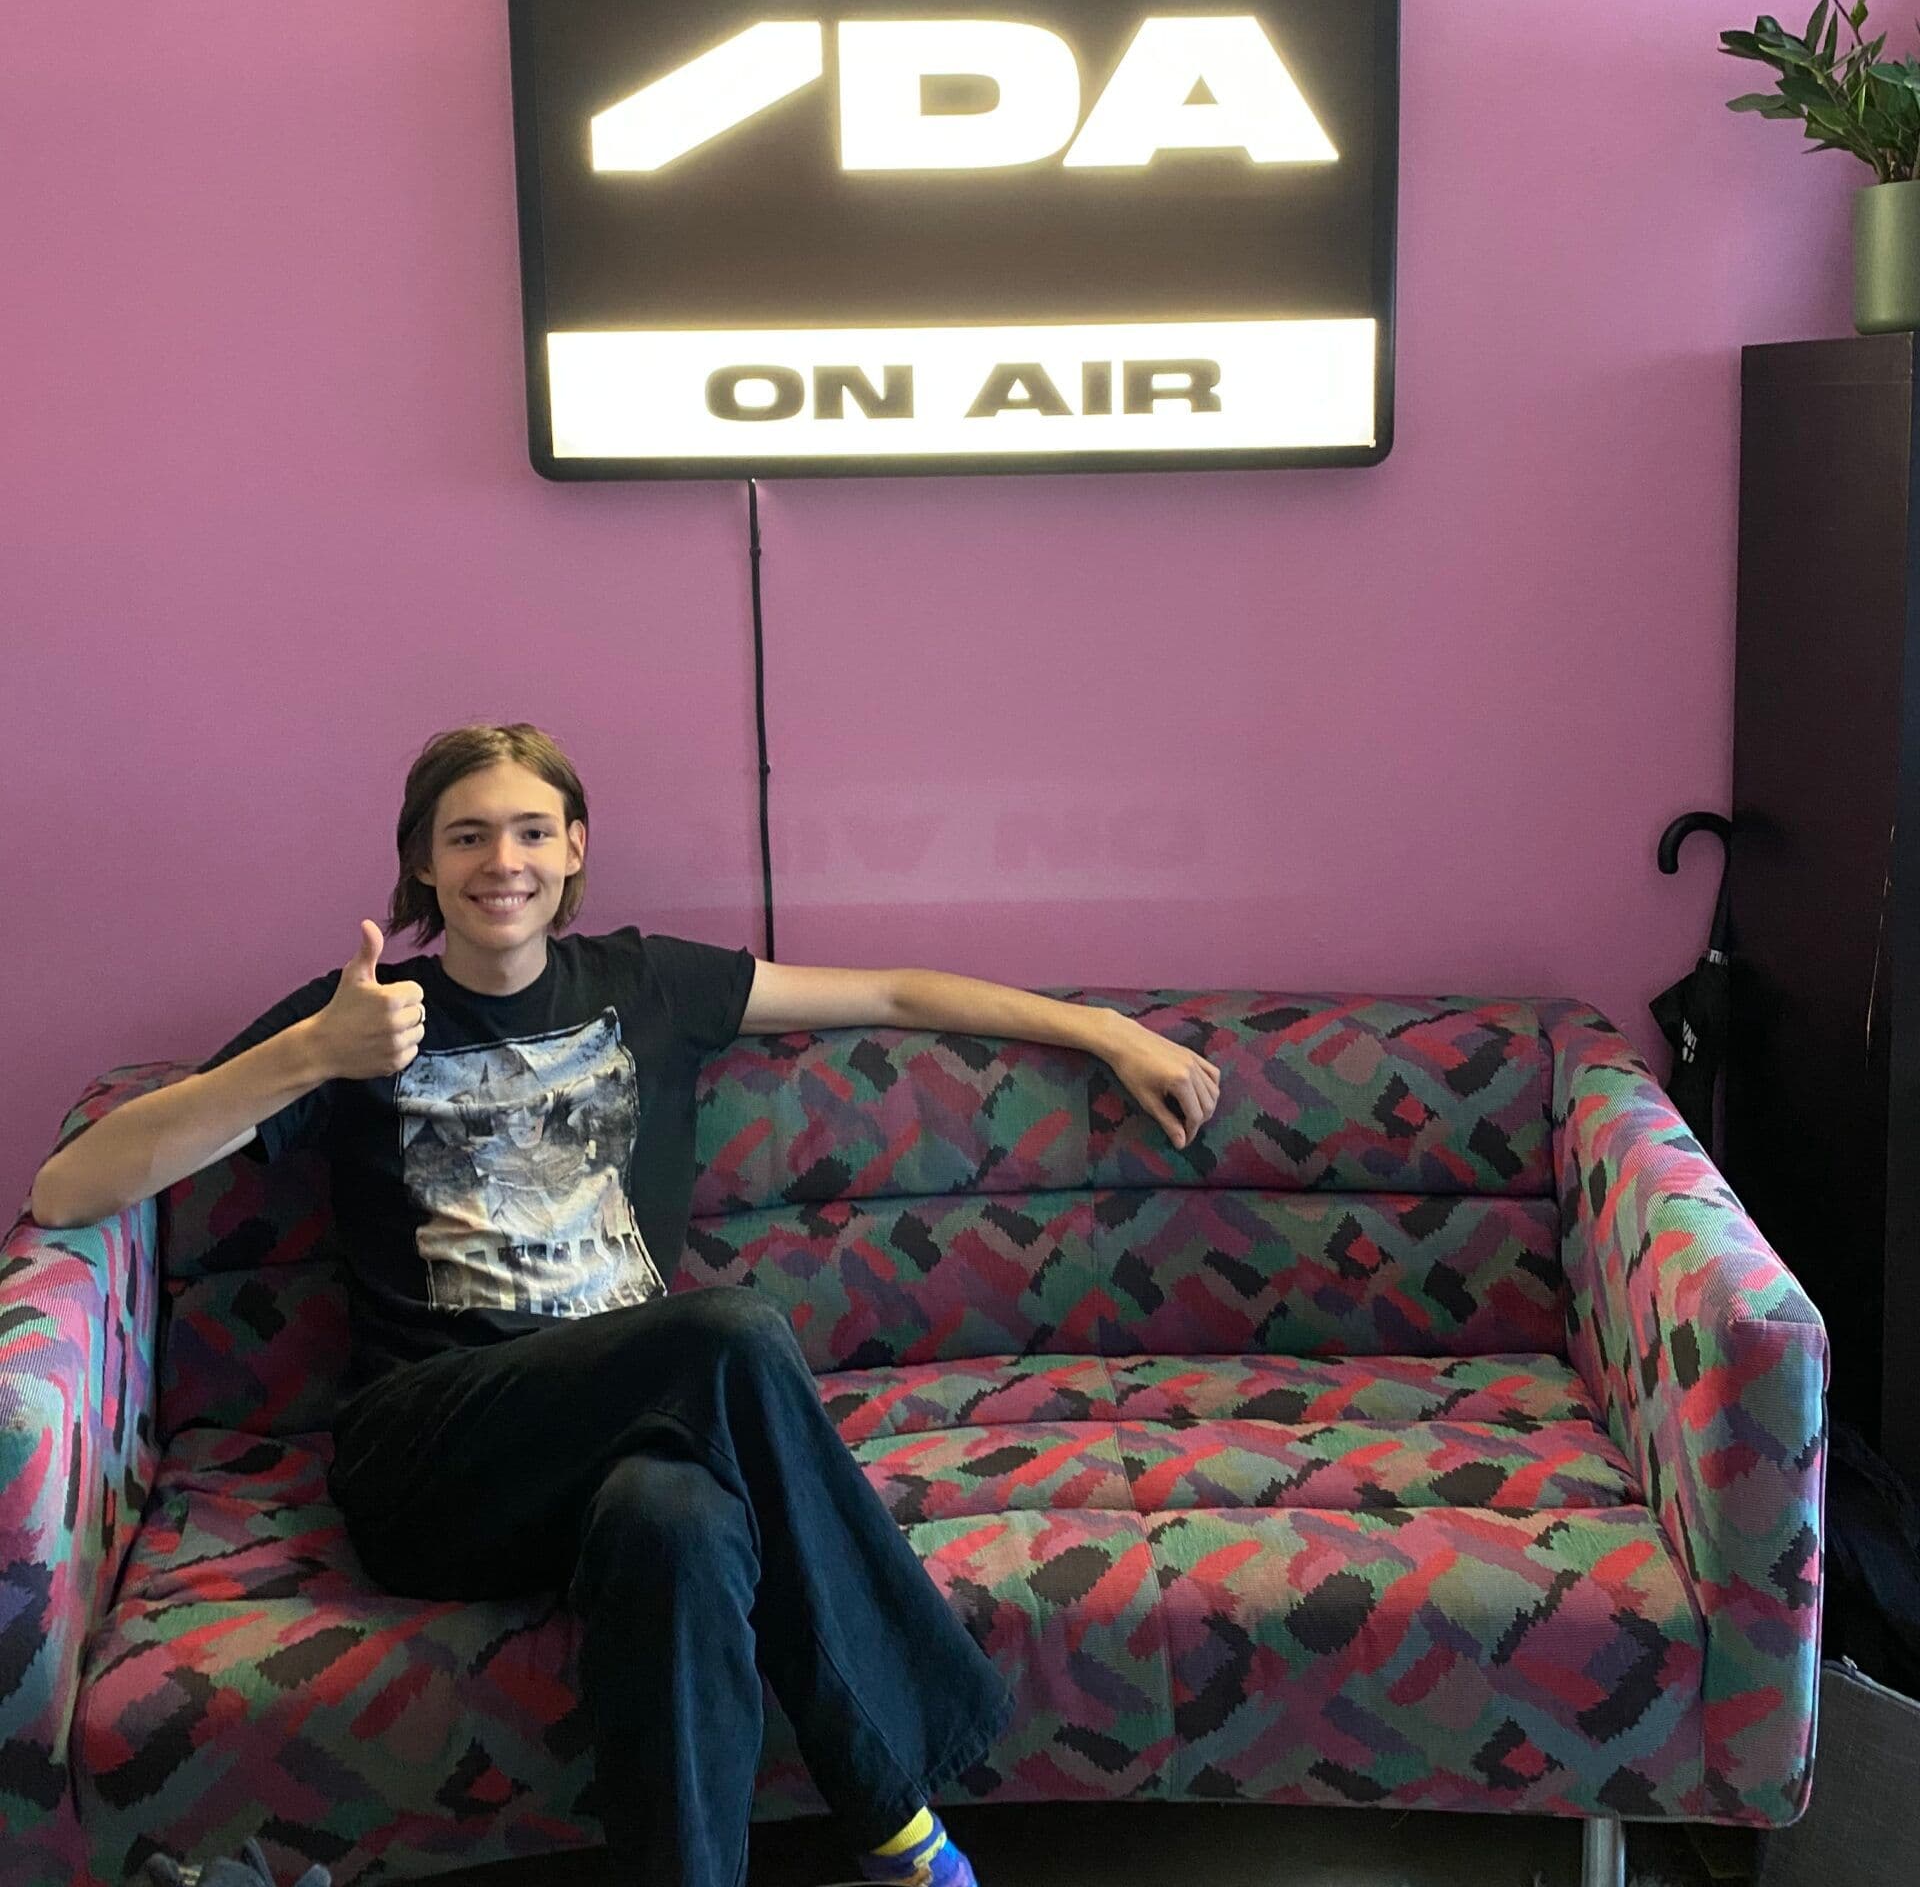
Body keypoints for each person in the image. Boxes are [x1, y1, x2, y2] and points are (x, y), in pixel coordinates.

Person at [177, 723, 1222, 1887]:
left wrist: (1104, 1029)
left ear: (575, 848)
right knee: (728, 1332)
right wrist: (307, 1055)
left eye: (531, 831)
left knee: (676, 1519)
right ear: (421, 859)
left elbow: (888, 987)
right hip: (431, 1457)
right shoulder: (359, 1018)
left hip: (628, 1447)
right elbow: (82, 1179)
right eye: (466, 836)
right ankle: (895, 1804)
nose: (502, 861)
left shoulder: (651, 984)